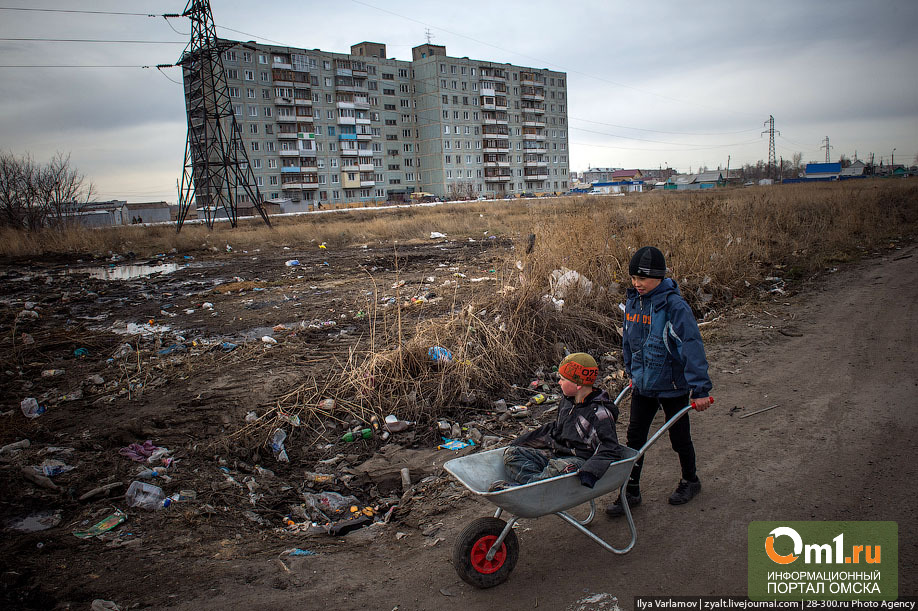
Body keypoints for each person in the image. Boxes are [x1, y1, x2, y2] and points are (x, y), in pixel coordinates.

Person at [606, 246, 713, 517]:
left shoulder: (674, 306)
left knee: (679, 437)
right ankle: (630, 491)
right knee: (634, 439)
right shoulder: (633, 302)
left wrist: (700, 389)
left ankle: (691, 480)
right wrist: (631, 372)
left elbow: (691, 346)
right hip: (643, 383)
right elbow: (629, 341)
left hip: (672, 385)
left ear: (659, 277)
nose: (636, 284)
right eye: (633, 278)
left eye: (642, 279)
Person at [490, 353, 627, 491]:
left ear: (578, 384)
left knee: (561, 467)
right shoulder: (567, 403)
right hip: (558, 455)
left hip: (582, 461)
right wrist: (521, 442)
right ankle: (533, 484)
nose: (559, 382)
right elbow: (554, 429)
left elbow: (610, 448)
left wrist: (590, 472)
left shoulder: (600, 414)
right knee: (512, 454)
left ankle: (522, 489)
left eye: (562, 379)